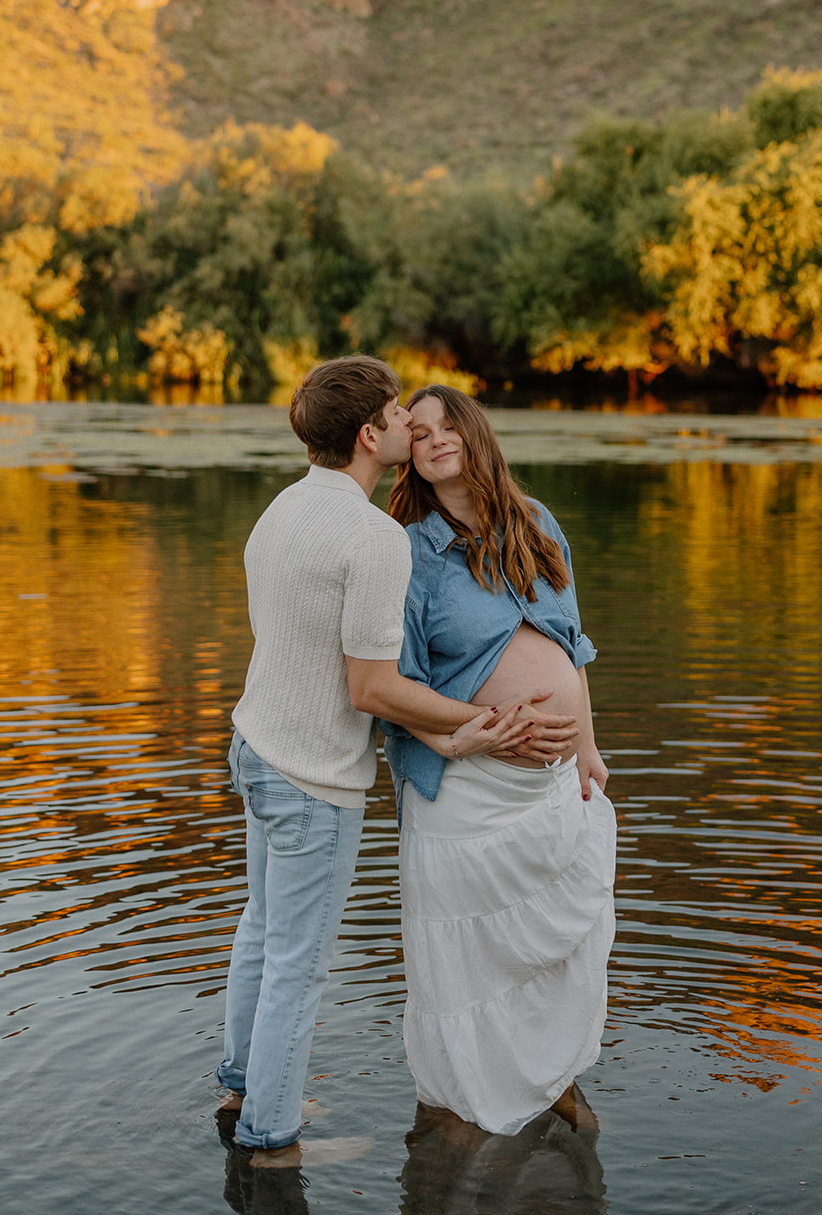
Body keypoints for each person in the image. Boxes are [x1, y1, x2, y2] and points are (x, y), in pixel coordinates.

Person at [216, 357, 577, 1162]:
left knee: (261, 932)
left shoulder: (283, 507)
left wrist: (455, 733)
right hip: (311, 780)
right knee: (298, 967)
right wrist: (488, 720)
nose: (415, 424)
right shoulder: (375, 538)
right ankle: (271, 1135)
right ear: (370, 434)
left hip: (255, 750)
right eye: (398, 414)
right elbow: (375, 689)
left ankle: (244, 1082)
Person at [382, 385, 618, 1137]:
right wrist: (483, 731)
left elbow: (571, 643)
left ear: (475, 433)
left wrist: (585, 740)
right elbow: (396, 686)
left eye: (449, 424)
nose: (436, 439)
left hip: (549, 787)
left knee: (554, 948)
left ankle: (544, 1080)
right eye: (418, 432)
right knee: (469, 960)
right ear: (408, 455)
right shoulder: (406, 548)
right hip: (467, 788)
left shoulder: (535, 520)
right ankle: (461, 1111)